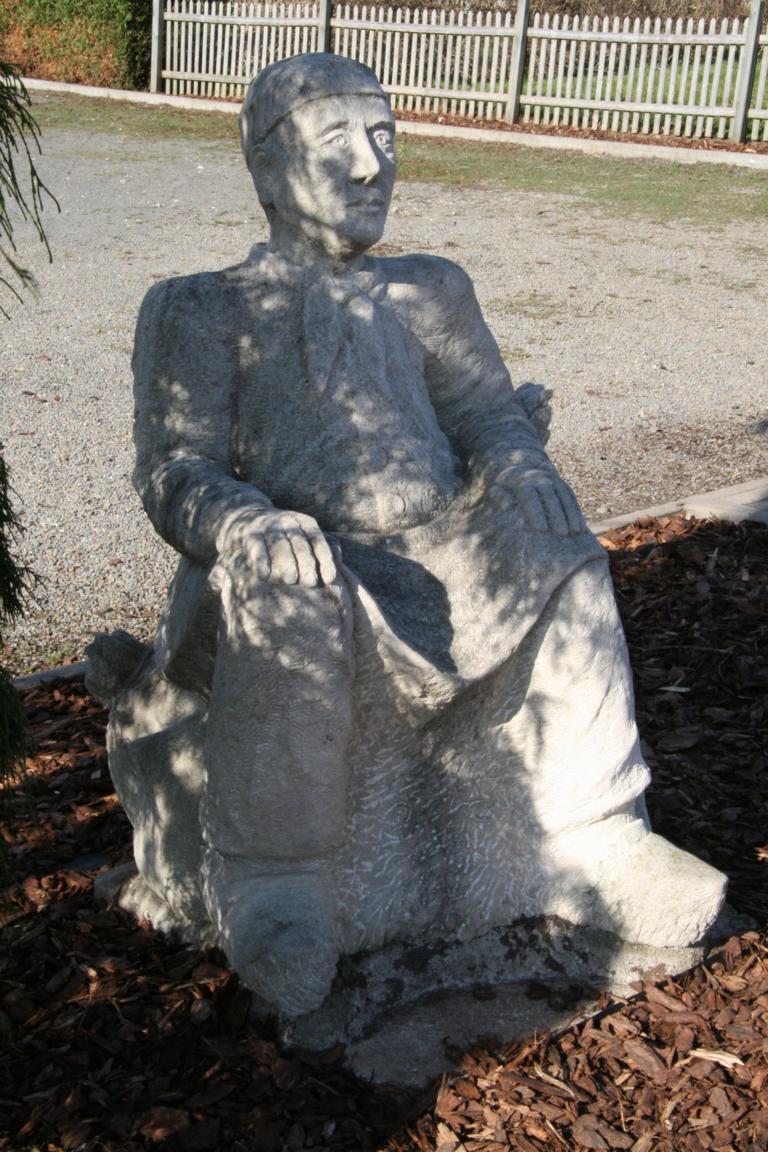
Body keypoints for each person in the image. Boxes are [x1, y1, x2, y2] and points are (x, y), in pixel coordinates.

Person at [92, 53, 725, 1019]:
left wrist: (520, 465)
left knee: (556, 536)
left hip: (445, 552)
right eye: (336, 142)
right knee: (290, 581)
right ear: (267, 168)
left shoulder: (433, 288)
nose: (370, 165)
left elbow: (488, 416)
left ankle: (598, 835)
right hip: (295, 571)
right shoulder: (199, 308)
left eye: (385, 139)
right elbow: (173, 469)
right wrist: (247, 522)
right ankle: (277, 887)